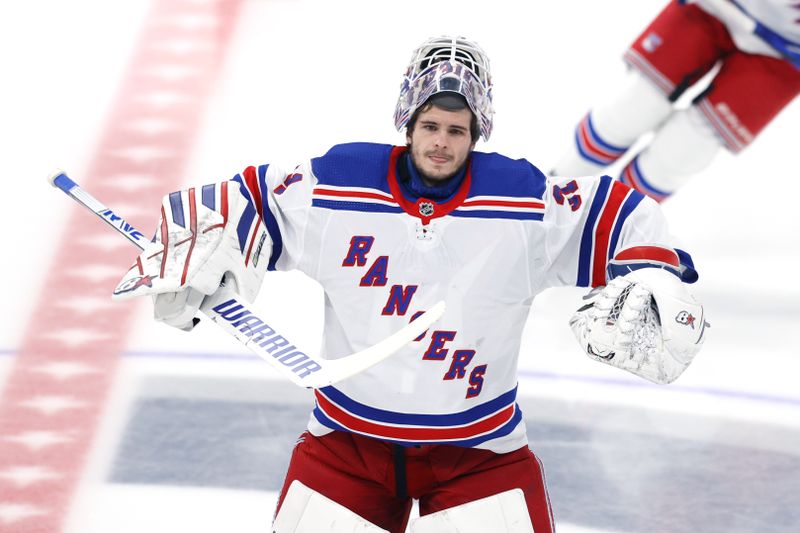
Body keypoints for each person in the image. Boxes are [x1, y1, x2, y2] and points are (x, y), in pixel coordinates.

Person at [112, 36, 708, 533]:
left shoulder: (523, 202)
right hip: (346, 447)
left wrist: (649, 274)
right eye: (430, 125)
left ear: (477, 130)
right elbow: (238, 201)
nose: (442, 142)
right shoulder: (338, 184)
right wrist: (192, 259)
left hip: (480, 456)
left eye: (456, 128)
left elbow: (627, 213)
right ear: (408, 121)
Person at [550, 0, 800, 202]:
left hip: (788, 52)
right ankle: (553, 194)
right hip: (711, 8)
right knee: (637, 106)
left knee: (684, 148)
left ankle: (613, 227)